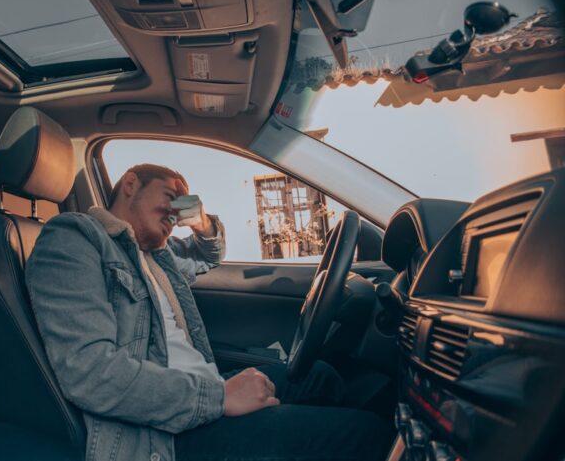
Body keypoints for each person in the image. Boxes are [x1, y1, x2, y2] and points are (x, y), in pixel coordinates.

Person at [25, 164, 389, 461]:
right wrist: (219, 399)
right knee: (367, 435)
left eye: (182, 204)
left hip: (202, 393)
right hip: (162, 435)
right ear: (131, 184)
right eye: (170, 196)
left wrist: (197, 218)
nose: (175, 210)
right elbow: (92, 374)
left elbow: (208, 254)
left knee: (321, 374)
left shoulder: (158, 257)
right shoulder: (74, 238)